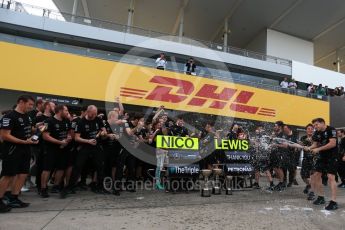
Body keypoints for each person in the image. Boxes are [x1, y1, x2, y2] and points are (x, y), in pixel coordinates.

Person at [0, 95, 38, 213]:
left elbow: (27, 130)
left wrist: (34, 135)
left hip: (25, 149)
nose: (31, 107)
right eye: (30, 104)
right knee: (8, 175)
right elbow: (5, 135)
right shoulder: (9, 116)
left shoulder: (27, 116)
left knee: (23, 174)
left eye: (32, 105)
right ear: (21, 102)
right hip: (12, 149)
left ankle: (14, 198)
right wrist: (23, 141)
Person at [60, 105, 107, 198]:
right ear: (87, 112)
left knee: (100, 166)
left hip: (96, 146)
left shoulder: (98, 119)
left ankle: (100, 187)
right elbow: (77, 138)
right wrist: (88, 141)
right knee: (77, 166)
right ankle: (70, 187)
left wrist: (103, 133)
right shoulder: (81, 122)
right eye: (92, 114)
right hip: (85, 146)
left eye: (95, 114)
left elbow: (103, 130)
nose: (94, 116)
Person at [305, 118, 338, 210]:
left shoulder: (331, 130)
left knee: (331, 177)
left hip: (332, 156)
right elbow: (315, 144)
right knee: (316, 175)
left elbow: (332, 144)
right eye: (314, 125)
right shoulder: (317, 133)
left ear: (323, 123)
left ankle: (333, 201)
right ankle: (321, 197)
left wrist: (318, 149)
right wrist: (309, 147)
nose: (315, 127)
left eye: (316, 125)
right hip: (322, 157)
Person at [40, 105, 72, 198]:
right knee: (47, 169)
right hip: (50, 149)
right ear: (59, 111)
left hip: (63, 149)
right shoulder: (48, 121)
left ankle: (56, 186)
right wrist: (59, 142)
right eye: (66, 110)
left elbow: (69, 133)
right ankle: (43, 189)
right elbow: (45, 136)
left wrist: (68, 138)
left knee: (61, 168)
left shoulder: (67, 121)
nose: (67, 112)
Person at [300, 124, 315, 199]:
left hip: (314, 159)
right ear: (306, 130)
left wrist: (311, 141)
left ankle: (312, 192)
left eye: (311, 129)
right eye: (308, 129)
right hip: (306, 158)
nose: (310, 130)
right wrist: (302, 144)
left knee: (312, 176)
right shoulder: (303, 138)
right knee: (303, 175)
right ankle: (309, 185)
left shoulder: (316, 137)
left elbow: (318, 146)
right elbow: (300, 146)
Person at [270, 121, 286, 191]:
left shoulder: (283, 135)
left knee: (279, 168)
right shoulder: (276, 134)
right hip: (275, 153)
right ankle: (280, 182)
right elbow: (271, 142)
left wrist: (275, 145)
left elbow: (285, 146)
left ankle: (282, 183)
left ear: (280, 127)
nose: (274, 127)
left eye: (276, 126)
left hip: (280, 154)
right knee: (275, 168)